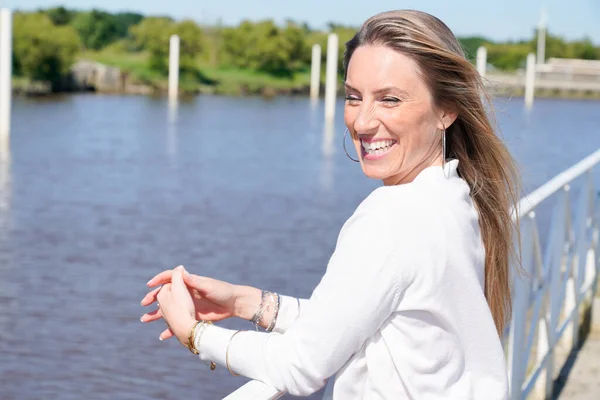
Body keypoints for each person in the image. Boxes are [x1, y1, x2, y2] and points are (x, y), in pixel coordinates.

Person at [140, 9, 520, 399]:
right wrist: (244, 301)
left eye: (390, 99)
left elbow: (300, 366)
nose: (363, 122)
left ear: (446, 110)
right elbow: (356, 319)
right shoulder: (451, 195)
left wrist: (194, 334)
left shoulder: (392, 219)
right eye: (354, 97)